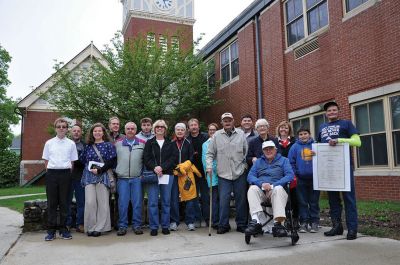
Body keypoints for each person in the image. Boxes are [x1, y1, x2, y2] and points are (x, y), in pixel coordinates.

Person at [317, 101, 361, 240]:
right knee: (333, 199)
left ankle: (352, 229)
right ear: (326, 113)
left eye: (334, 110)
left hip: (344, 166)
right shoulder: (322, 127)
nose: (331, 112)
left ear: (338, 111)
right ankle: (337, 227)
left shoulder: (346, 124)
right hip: (328, 167)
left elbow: (357, 142)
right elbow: (319, 145)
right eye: (329, 110)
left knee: (349, 198)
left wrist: (339, 140)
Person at [206, 112, 248, 234]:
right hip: (223, 174)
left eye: (229, 120)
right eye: (225, 120)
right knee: (224, 200)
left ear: (233, 121)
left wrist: (243, 165)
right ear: (222, 122)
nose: (227, 122)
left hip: (239, 172)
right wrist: (209, 166)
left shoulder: (241, 134)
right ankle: (223, 225)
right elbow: (209, 154)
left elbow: (245, 151)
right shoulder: (216, 136)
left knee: (241, 200)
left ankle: (241, 224)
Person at [245, 141, 294, 237]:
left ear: (275, 150)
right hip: (262, 192)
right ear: (263, 151)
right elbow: (250, 176)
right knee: (252, 188)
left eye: (270, 148)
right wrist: (262, 184)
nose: (268, 151)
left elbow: (290, 175)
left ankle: (278, 224)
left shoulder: (284, 160)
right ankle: (255, 221)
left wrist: (273, 186)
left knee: (278, 189)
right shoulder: (258, 162)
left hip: (277, 193)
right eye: (266, 149)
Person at [42, 118, 78, 241]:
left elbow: (72, 162)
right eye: (59, 126)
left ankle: (63, 229)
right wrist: (51, 173)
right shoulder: (49, 143)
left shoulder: (71, 144)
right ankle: (51, 231)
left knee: (64, 203)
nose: (61, 128)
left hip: (66, 174)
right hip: (51, 174)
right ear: (55, 128)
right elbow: (46, 161)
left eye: (64, 126)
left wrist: (66, 173)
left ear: (67, 129)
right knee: (52, 203)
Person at [80, 123, 117, 237]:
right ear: (92, 133)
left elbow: (112, 161)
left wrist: (100, 170)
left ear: (103, 132)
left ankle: (100, 228)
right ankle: (90, 227)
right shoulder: (87, 146)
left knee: (103, 203)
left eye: (99, 131)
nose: (97, 133)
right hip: (89, 177)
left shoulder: (108, 145)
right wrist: (90, 168)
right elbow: (82, 160)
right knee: (90, 202)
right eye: (95, 131)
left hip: (103, 176)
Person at [143, 120, 176, 236]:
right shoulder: (149, 143)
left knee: (166, 202)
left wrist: (162, 167)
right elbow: (146, 158)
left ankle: (165, 226)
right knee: (152, 202)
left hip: (167, 175)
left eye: (162, 127)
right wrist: (155, 168)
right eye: (157, 127)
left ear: (165, 129)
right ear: (154, 129)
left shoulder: (171, 143)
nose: (160, 128)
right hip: (153, 175)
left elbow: (173, 159)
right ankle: (154, 227)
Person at [115, 122, 146, 236]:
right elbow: (113, 160)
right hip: (122, 179)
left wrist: (142, 173)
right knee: (122, 203)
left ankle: (137, 225)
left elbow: (145, 160)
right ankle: (122, 226)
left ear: (136, 130)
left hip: (137, 178)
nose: (130, 130)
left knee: (137, 203)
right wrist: (117, 171)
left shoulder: (142, 143)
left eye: (133, 128)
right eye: (128, 128)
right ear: (125, 130)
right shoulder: (117, 144)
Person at [288, 127, 319, 233]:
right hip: (300, 179)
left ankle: (314, 222)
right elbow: (291, 162)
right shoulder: (294, 147)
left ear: (309, 134)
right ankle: (304, 222)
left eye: (305, 133)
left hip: (315, 179)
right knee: (302, 202)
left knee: (314, 202)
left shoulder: (315, 146)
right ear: (298, 136)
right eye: (301, 134)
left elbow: (323, 159)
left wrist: (317, 154)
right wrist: (294, 174)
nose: (303, 136)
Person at [171, 123, 200, 231]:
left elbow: (191, 158)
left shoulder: (188, 143)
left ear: (185, 131)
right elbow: (168, 158)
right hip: (174, 174)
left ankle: (190, 222)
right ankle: (174, 221)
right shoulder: (171, 143)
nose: (179, 131)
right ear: (175, 131)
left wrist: (183, 167)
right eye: (177, 129)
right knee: (174, 198)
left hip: (186, 174)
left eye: (182, 130)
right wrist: (177, 168)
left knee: (190, 198)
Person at [187, 118, 209, 227]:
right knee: (193, 198)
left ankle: (207, 219)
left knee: (206, 197)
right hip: (191, 173)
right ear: (189, 128)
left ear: (198, 126)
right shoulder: (187, 140)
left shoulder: (205, 137)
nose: (194, 127)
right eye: (191, 125)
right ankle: (197, 218)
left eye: (195, 125)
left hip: (204, 172)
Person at [275, 120, 298, 227]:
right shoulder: (274, 142)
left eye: (286, 128)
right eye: (281, 127)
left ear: (289, 130)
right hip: (279, 174)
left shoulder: (295, 142)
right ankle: (284, 219)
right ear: (278, 129)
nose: (283, 129)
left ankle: (294, 219)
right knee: (281, 196)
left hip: (292, 172)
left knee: (294, 197)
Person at [66, 124, 86, 233]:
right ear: (71, 132)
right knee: (67, 202)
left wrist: (74, 158)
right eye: (74, 131)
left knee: (81, 202)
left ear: (81, 133)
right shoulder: (66, 144)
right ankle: (67, 224)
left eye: (78, 131)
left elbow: (84, 162)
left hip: (80, 177)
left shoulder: (85, 145)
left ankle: (80, 224)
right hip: (67, 177)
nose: (76, 132)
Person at [202, 123, 219, 228]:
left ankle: (223, 220)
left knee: (223, 199)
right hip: (212, 174)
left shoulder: (222, 141)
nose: (212, 131)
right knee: (214, 199)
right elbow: (205, 159)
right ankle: (215, 221)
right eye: (210, 130)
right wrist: (212, 169)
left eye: (214, 130)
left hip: (224, 174)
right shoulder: (205, 144)